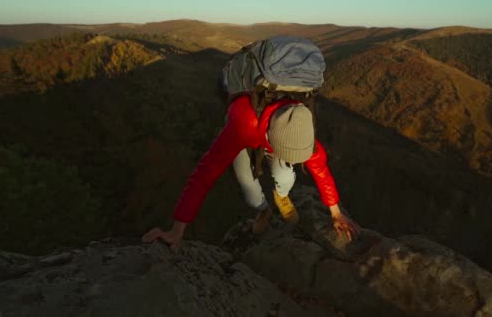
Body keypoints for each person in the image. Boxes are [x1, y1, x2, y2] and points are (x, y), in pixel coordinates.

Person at [142, 37, 360, 250]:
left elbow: (320, 170)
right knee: (248, 184)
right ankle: (262, 209)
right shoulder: (243, 123)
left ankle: (280, 196)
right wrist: (176, 230)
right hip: (246, 131)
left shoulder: (301, 129)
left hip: (272, 131)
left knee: (285, 175)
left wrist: (336, 213)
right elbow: (204, 174)